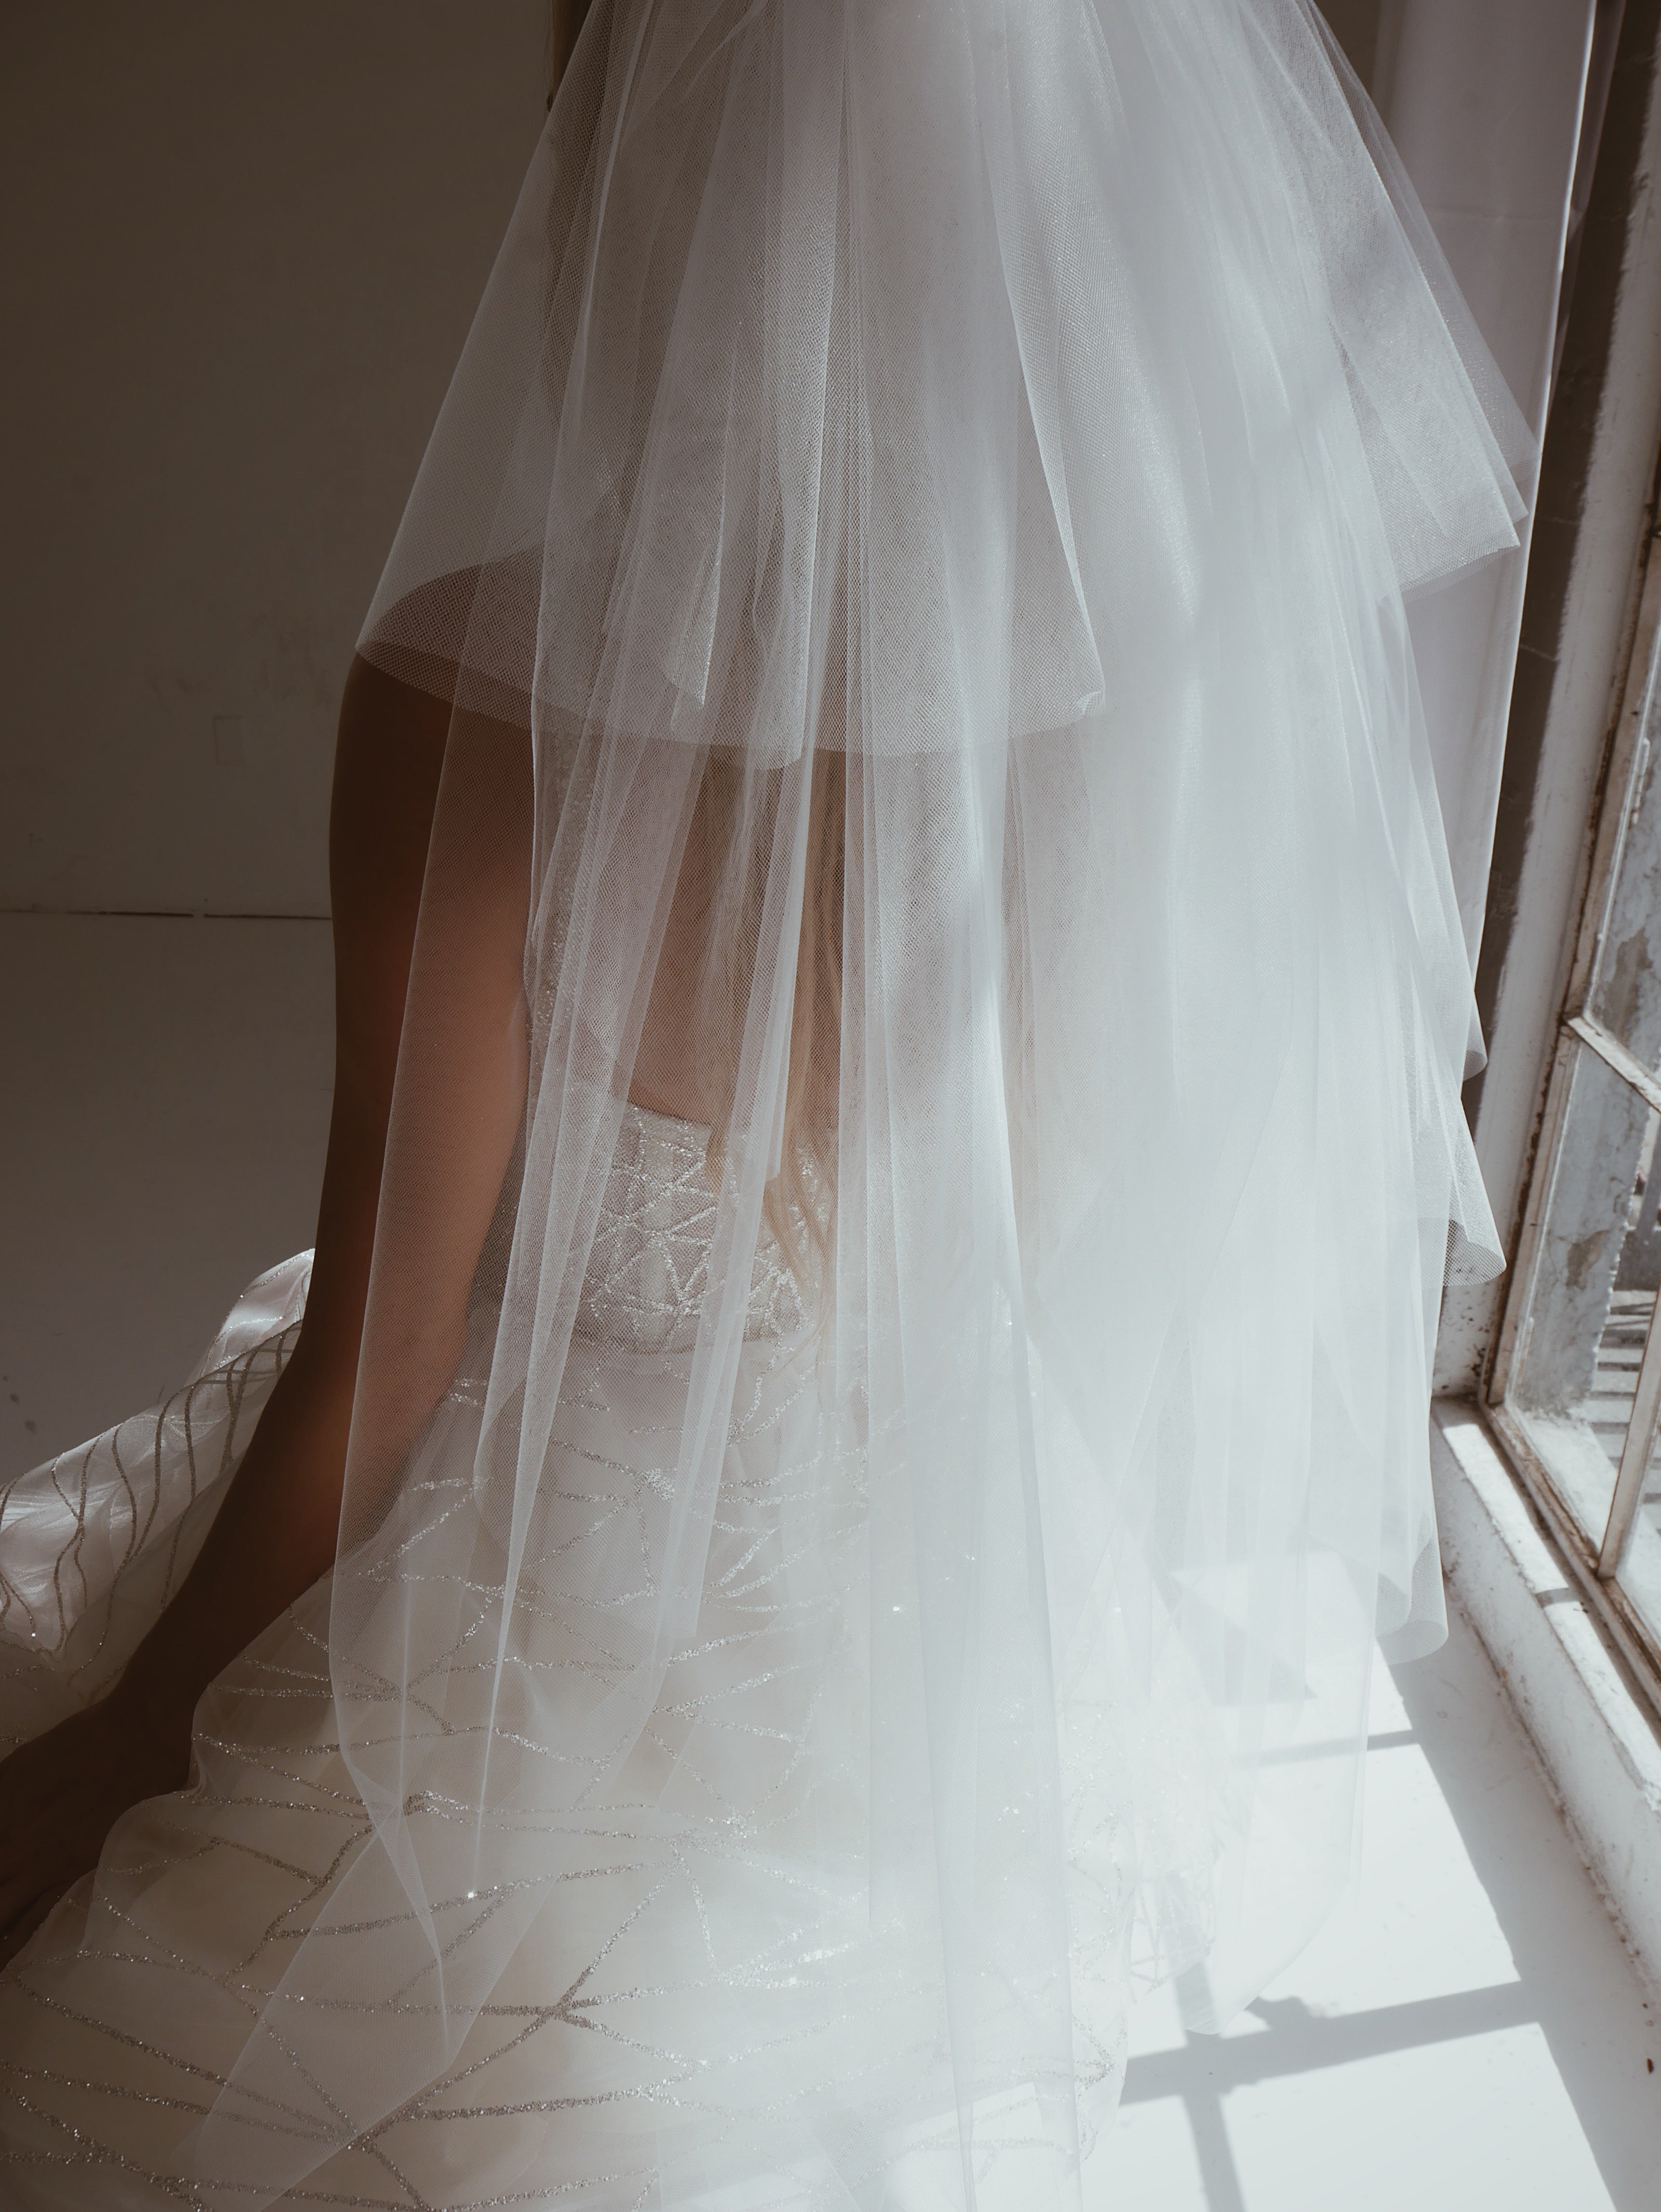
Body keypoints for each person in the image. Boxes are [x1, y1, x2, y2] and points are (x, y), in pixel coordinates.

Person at [0, 0, 1530, 2204]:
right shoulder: (1122, 718)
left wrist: (147, 1745)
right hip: (908, 1641)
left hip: (513, 1576)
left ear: (629, 206)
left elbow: (391, 1349)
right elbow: (1048, 1259)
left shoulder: (471, 699)